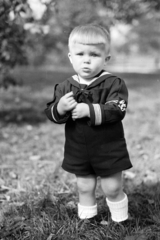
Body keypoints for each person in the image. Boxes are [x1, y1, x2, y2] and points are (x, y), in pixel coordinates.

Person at [45, 24, 132, 222]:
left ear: (106, 59)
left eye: (94, 54)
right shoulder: (65, 86)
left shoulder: (113, 83)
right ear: (70, 57)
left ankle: (120, 220)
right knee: (84, 186)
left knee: (112, 187)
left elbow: (118, 109)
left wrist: (89, 109)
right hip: (79, 148)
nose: (86, 60)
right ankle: (87, 219)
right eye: (80, 54)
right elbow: (51, 112)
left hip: (108, 146)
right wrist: (60, 108)